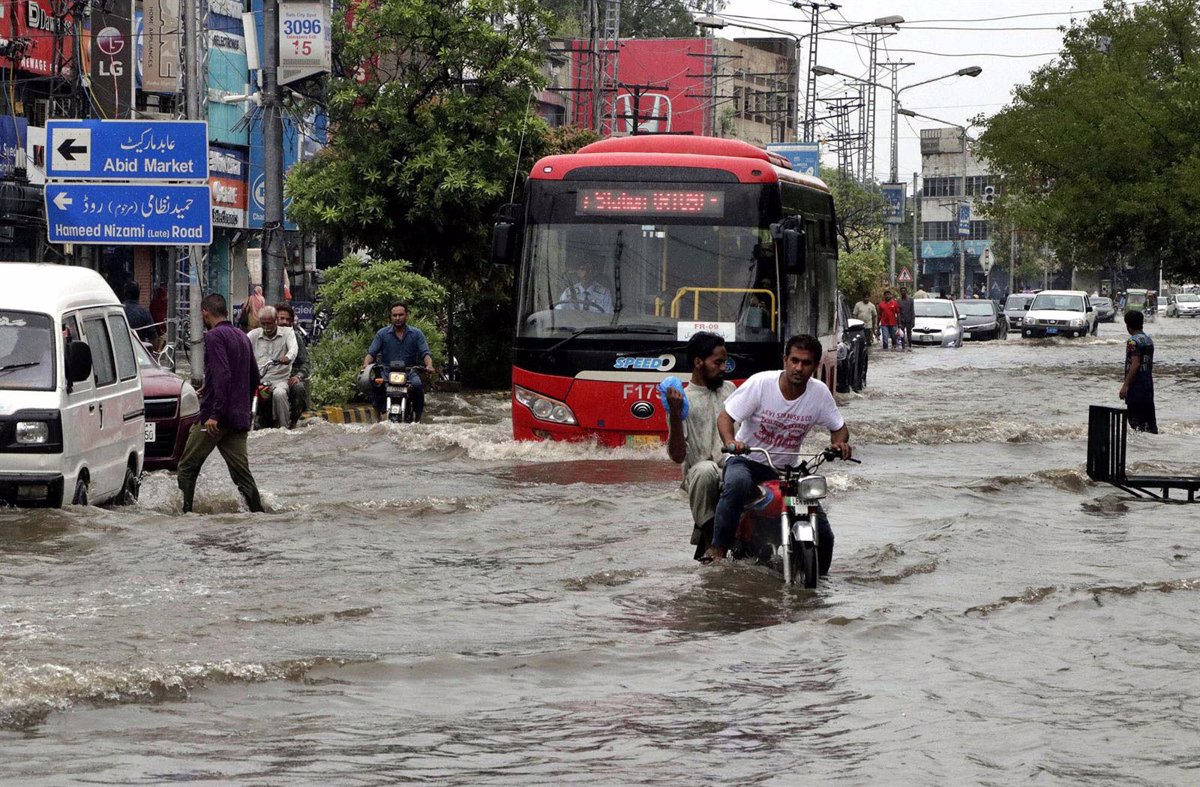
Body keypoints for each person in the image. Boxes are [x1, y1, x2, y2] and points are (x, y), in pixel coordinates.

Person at [708, 335, 852, 566]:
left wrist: (839, 444)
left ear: (815, 366)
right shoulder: (761, 383)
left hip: (788, 471)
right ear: (785, 359)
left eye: (806, 363)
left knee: (824, 534)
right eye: (794, 360)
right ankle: (718, 548)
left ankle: (820, 586)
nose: (799, 368)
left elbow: (839, 429)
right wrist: (732, 442)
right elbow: (726, 416)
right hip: (747, 460)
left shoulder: (820, 393)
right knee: (736, 484)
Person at [176, 293, 265, 514]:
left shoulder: (214, 337)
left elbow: (223, 374)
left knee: (187, 467)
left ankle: (184, 514)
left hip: (215, 419)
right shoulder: (242, 336)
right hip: (238, 417)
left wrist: (215, 414)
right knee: (241, 475)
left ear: (205, 312)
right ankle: (258, 513)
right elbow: (253, 377)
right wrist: (237, 402)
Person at [665, 332, 736, 560]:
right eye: (718, 362)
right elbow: (677, 456)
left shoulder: (731, 390)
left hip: (733, 469)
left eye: (725, 362)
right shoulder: (682, 400)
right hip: (700, 474)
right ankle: (712, 544)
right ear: (698, 363)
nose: (724, 368)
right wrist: (675, 415)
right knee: (706, 470)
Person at [363, 301, 436, 422]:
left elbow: (425, 353)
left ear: (406, 315)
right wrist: (366, 365)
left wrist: (429, 365)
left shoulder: (417, 334)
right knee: (377, 385)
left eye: (401, 315)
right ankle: (378, 419)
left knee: (417, 386)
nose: (397, 318)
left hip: (409, 371)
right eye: (394, 315)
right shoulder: (382, 334)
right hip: (387, 371)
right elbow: (371, 353)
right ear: (391, 317)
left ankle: (417, 418)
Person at [246, 305, 298, 429]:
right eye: (263, 324)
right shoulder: (253, 335)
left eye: (269, 324)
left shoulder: (287, 333)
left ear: (275, 321)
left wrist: (287, 358)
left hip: (279, 380)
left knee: (279, 394)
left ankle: (285, 427)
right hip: (258, 379)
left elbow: (293, 349)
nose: (266, 327)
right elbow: (241, 347)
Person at [1119, 310, 1157, 433]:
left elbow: (1135, 364)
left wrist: (1125, 385)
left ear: (1128, 326)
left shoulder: (1132, 342)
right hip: (1148, 386)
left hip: (1136, 387)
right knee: (1149, 423)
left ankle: (1138, 449)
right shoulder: (1148, 340)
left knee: (1136, 424)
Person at [275, 302, 310, 428]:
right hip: (269, 377)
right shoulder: (264, 335)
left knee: (299, 388)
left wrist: (298, 376)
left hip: (289, 377)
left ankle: (293, 423)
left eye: (287, 319)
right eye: (281, 318)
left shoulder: (295, 337)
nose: (284, 322)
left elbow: (305, 361)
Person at [122, 282, 159, 346]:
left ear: (125, 294)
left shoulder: (118, 310)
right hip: (138, 351)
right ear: (139, 294)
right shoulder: (144, 312)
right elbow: (154, 340)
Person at [898, 287, 915, 353]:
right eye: (901, 291)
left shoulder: (911, 300)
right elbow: (898, 312)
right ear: (900, 292)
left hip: (909, 320)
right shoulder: (899, 301)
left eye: (904, 291)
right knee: (902, 335)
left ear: (906, 292)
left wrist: (913, 321)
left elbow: (912, 311)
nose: (903, 292)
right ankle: (903, 347)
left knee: (909, 334)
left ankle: (910, 346)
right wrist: (898, 322)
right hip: (902, 320)